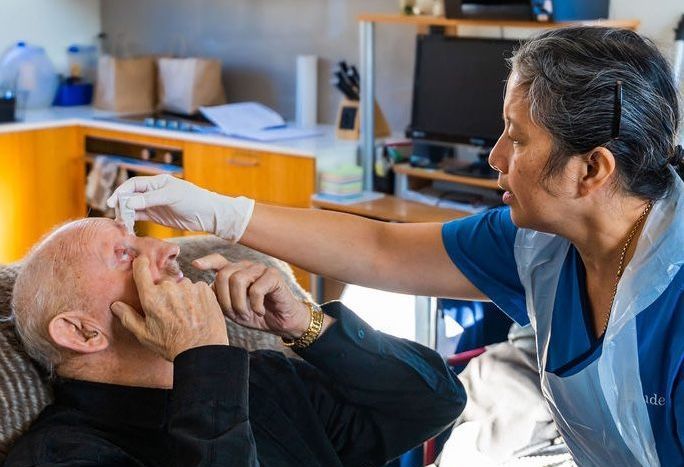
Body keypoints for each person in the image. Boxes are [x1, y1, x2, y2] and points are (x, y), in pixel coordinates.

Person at [108, 26, 684, 465]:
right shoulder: (536, 242)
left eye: (518, 137)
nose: (495, 158)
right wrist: (222, 212)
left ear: (591, 170)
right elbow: (379, 247)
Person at [5, 218, 466, 467]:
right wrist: (202, 358)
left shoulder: (260, 378)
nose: (167, 250)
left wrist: (306, 326)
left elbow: (434, 401)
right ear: (80, 331)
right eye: (124, 255)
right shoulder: (63, 454)